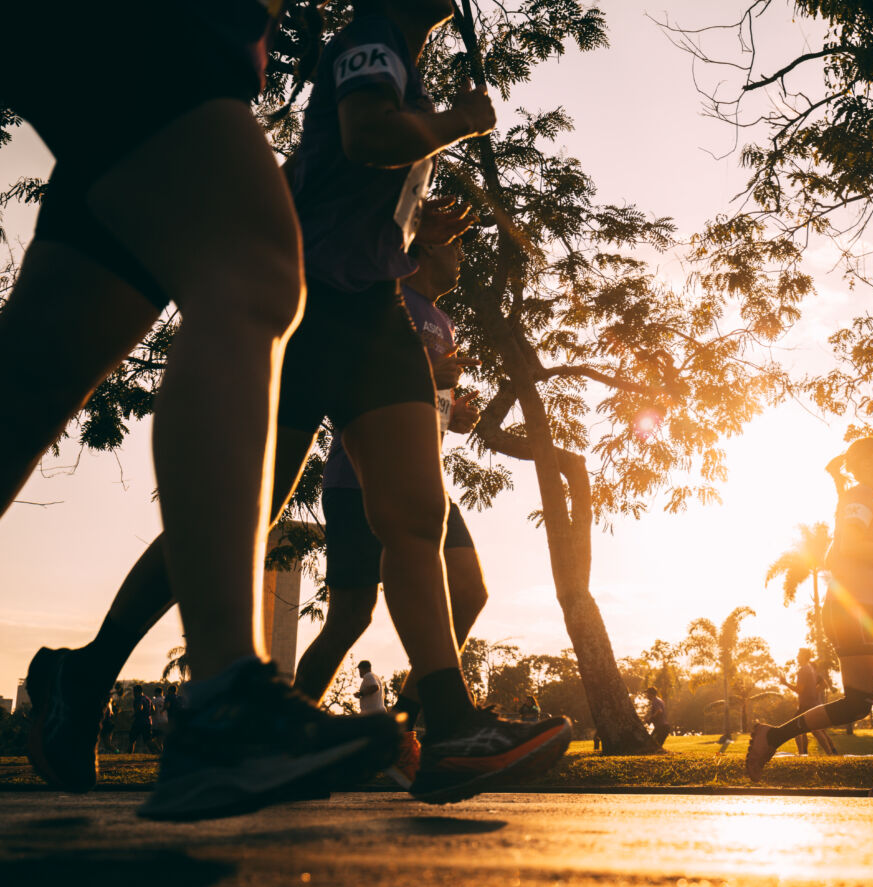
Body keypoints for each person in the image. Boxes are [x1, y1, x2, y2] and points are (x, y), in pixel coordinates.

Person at [23, 0, 571, 813]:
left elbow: (354, 188)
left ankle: (451, 724)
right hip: (311, 308)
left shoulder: (399, 58)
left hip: (374, 309)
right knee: (233, 516)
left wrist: (422, 244)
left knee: (416, 513)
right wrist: (456, 121)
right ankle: (92, 670)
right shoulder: (370, 41)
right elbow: (365, 135)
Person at [3, 2, 402, 818]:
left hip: (189, 43)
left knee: (32, 377)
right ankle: (225, 704)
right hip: (153, 29)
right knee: (252, 267)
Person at [292, 237, 488, 731]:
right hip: (361, 474)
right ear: (423, 250)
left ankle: (407, 723)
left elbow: (424, 399)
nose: (461, 255)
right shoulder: (386, 302)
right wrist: (428, 374)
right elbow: (365, 377)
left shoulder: (444, 321)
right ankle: (284, 731)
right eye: (455, 246)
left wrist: (452, 411)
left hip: (422, 474)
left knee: (469, 591)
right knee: (351, 617)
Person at [747, 438, 873, 795]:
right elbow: (848, 547)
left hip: (868, 609)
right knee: (858, 702)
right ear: (865, 463)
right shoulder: (859, 499)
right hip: (851, 608)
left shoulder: (860, 499)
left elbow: (837, 554)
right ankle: (772, 736)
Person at [778, 649, 836, 756]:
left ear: (804, 656)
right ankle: (827, 753)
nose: (797, 657)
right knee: (815, 730)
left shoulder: (803, 671)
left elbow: (799, 690)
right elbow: (823, 684)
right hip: (811, 703)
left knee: (796, 728)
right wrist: (813, 692)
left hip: (807, 705)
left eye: (799, 655)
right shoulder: (811, 669)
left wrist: (785, 683)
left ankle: (803, 754)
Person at [127, 685, 156, 754]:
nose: (133, 694)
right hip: (147, 721)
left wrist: (133, 715)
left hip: (139, 721)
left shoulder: (138, 698)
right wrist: (147, 714)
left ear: (136, 692)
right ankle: (157, 752)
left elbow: (140, 707)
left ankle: (129, 754)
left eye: (133, 692)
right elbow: (153, 709)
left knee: (132, 738)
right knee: (148, 740)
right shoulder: (147, 698)